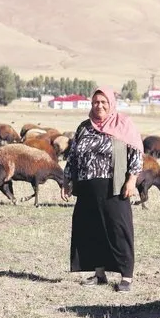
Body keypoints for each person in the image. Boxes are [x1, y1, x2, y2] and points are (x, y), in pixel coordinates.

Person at [61, 86, 143, 292]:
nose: (100, 106)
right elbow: (73, 156)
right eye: (96, 102)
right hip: (87, 186)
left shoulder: (123, 124)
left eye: (104, 102)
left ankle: (126, 277)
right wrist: (67, 179)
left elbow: (136, 154)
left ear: (111, 104)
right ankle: (99, 274)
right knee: (91, 229)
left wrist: (131, 180)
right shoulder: (84, 127)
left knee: (119, 229)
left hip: (114, 186)